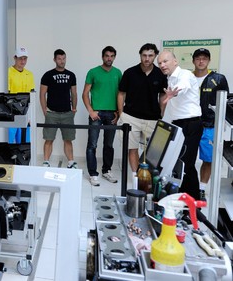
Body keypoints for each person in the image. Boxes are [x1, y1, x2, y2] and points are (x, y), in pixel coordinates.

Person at [118, 43, 167, 179]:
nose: (147, 58)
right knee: (132, 148)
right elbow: (121, 93)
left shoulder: (160, 74)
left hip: (152, 118)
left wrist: (162, 112)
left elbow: (163, 94)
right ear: (140, 55)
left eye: (150, 55)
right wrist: (121, 113)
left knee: (152, 151)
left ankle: (147, 177)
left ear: (155, 56)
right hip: (131, 116)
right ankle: (135, 177)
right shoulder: (130, 72)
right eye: (144, 55)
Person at [159, 50, 202, 200]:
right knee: (178, 163)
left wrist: (174, 93)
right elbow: (172, 107)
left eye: (165, 61)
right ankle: (182, 199)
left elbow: (181, 88)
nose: (162, 65)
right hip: (178, 124)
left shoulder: (184, 75)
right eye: (160, 63)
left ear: (175, 61)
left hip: (191, 124)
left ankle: (193, 202)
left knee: (186, 164)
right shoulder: (170, 78)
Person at [192, 48, 229, 200]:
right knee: (186, 160)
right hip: (191, 125)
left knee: (208, 160)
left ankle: (201, 189)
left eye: (204, 59)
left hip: (210, 126)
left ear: (208, 61)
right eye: (198, 58)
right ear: (193, 60)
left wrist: (222, 123)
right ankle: (189, 187)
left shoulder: (218, 79)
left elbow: (225, 102)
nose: (201, 61)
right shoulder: (187, 78)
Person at [82, 46, 122, 186]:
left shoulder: (118, 73)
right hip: (96, 113)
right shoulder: (93, 72)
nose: (109, 58)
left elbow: (120, 95)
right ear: (102, 56)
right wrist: (90, 110)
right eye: (106, 55)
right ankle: (93, 174)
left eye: (111, 56)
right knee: (92, 145)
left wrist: (118, 113)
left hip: (112, 114)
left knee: (109, 145)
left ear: (114, 57)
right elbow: (85, 93)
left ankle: (107, 170)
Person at [40, 48, 78, 168]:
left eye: (63, 58)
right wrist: (44, 109)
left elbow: (74, 93)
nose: (62, 61)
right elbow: (42, 94)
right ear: (54, 59)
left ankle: (71, 162)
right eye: (59, 59)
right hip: (52, 113)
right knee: (49, 139)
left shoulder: (71, 75)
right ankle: (46, 161)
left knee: (68, 139)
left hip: (67, 113)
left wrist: (74, 108)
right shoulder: (48, 75)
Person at [8, 46, 35, 143]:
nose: (23, 61)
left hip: (24, 112)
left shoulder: (29, 74)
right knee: (9, 142)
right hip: (11, 112)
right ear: (15, 58)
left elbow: (31, 96)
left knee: (24, 143)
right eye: (20, 58)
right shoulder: (8, 72)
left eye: (25, 58)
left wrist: (30, 116)